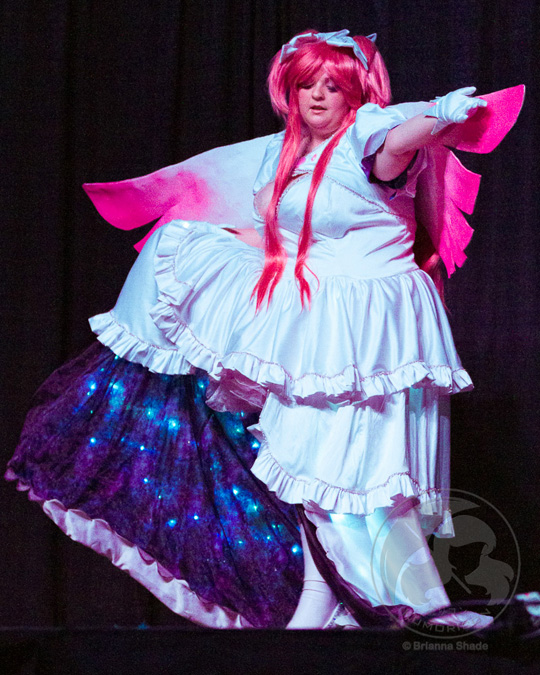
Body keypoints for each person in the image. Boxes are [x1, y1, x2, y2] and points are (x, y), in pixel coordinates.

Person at [6, 29, 522, 630]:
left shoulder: (366, 132)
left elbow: (394, 142)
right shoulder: (288, 157)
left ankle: (425, 606)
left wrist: (437, 118)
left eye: (333, 86)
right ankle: (318, 605)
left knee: (368, 469)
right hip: (316, 321)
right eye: (307, 85)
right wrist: (201, 241)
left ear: (355, 94)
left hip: (370, 328)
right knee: (309, 466)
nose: (318, 96)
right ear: (290, 92)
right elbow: (284, 237)